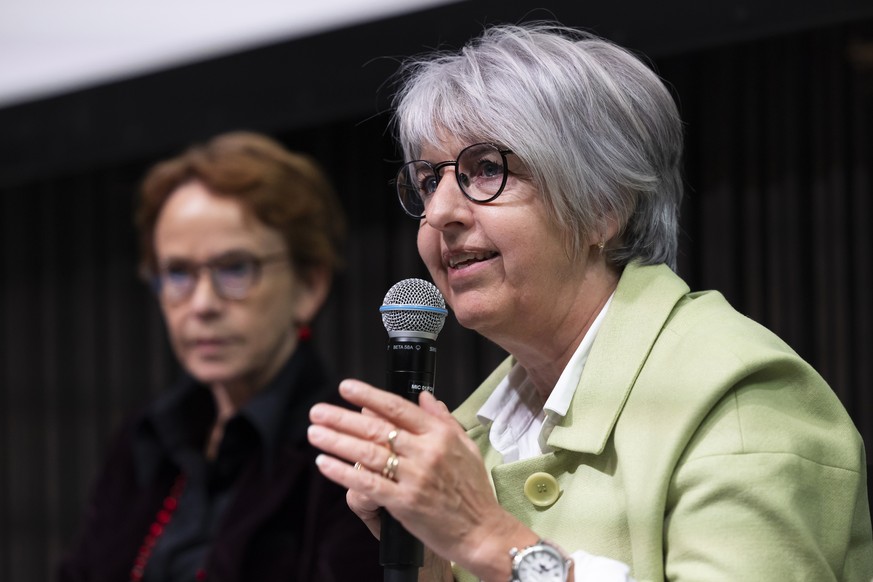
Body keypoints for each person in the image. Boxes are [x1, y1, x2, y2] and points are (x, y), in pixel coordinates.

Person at [306, 23, 873, 582]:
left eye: (486, 170)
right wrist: (433, 570)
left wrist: (486, 538)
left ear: (604, 205)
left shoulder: (741, 397)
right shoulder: (468, 435)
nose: (440, 213)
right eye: (430, 180)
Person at [58, 131, 382, 581]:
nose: (202, 304)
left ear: (309, 285)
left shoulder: (350, 450)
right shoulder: (142, 438)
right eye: (177, 273)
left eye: (235, 268)